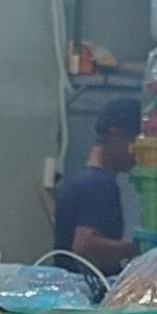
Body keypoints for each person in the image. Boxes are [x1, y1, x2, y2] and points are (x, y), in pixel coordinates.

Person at [53, 96, 144, 272]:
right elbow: (85, 245)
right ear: (114, 135)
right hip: (87, 290)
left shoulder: (83, 180)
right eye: (134, 142)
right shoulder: (99, 185)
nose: (137, 152)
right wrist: (143, 248)